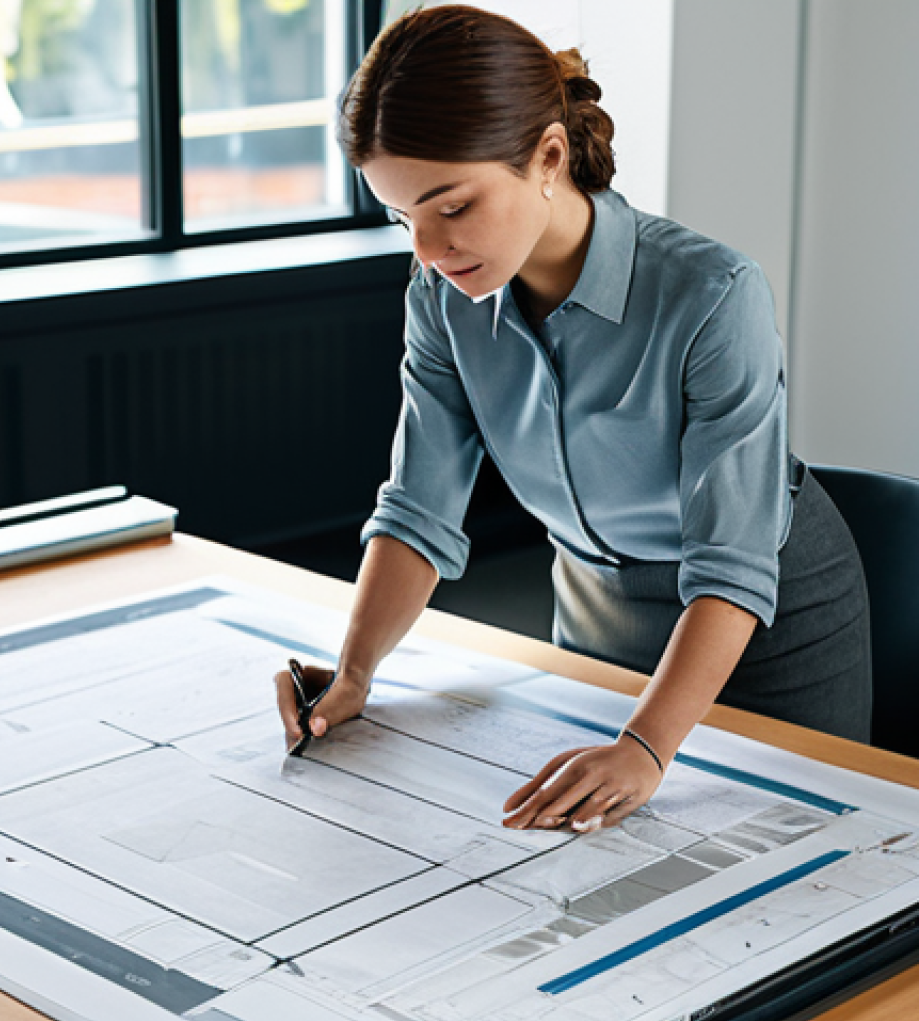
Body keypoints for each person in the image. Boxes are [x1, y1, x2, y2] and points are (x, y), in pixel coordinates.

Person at [274, 5, 871, 834]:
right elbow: (418, 510)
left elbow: (734, 563)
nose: (428, 249)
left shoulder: (713, 295)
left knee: (790, 879)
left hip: (764, 625)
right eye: (403, 217)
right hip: (595, 609)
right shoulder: (441, 299)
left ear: (548, 156)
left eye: (451, 206)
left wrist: (648, 746)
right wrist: (355, 671)